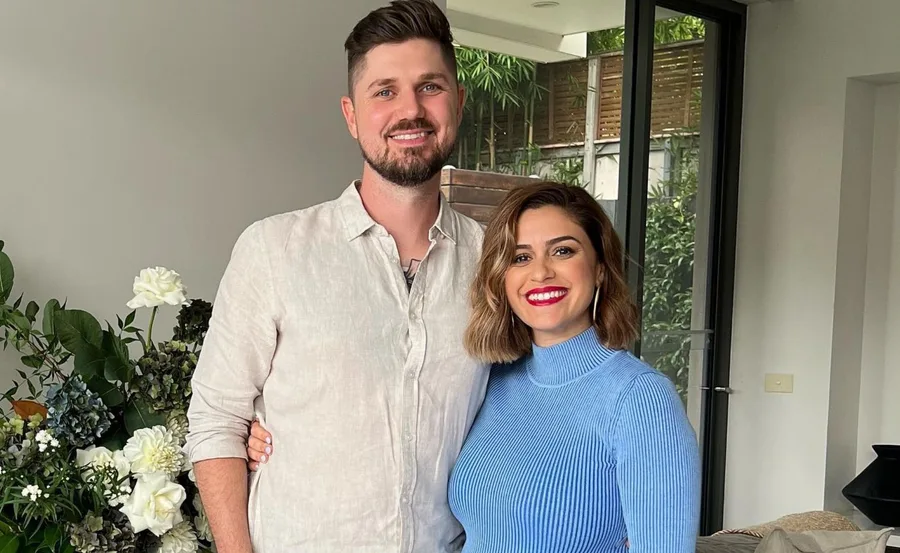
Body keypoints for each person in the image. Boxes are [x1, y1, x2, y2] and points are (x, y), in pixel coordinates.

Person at [183, 1, 490, 552]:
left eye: (430, 87)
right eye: (384, 91)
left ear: (458, 103)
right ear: (351, 115)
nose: (410, 110)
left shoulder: (492, 262)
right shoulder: (273, 250)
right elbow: (216, 419)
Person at [248, 181, 702, 552]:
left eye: (563, 251)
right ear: (502, 278)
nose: (540, 272)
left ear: (600, 268)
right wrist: (277, 429)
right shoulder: (494, 380)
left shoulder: (639, 398)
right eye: (520, 257)